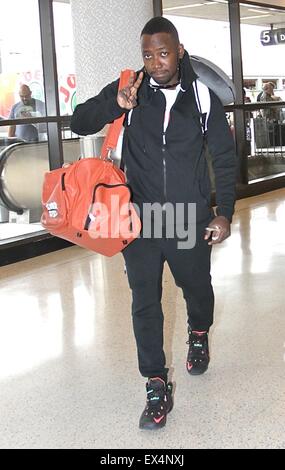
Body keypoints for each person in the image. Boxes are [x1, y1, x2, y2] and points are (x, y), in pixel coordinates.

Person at [70, 17, 236, 430]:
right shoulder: (129, 88)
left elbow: (224, 157)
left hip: (186, 217)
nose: (156, 62)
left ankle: (199, 332)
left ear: (179, 51)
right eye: (148, 54)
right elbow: (78, 120)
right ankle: (156, 383)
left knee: (196, 288)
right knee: (144, 301)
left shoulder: (201, 97)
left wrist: (224, 211)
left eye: (164, 53)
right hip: (137, 218)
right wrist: (116, 105)